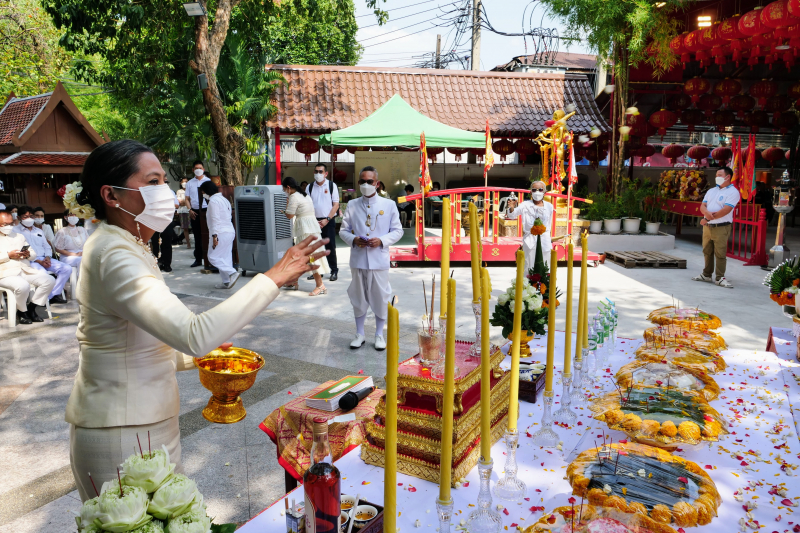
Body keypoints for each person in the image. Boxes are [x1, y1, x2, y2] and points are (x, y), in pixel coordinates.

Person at [63, 139, 328, 502]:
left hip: (145, 418)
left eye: (163, 181)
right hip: (121, 427)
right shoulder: (113, 253)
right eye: (152, 182)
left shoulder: (127, 243)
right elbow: (194, 333)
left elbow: (135, 344)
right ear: (111, 195)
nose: (166, 192)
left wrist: (207, 359)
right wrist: (274, 276)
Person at [339, 166, 403, 350]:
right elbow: (343, 230)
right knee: (358, 296)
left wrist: (382, 241)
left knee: (380, 296)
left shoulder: (388, 205)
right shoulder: (352, 205)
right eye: (362, 181)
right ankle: (360, 334)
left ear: (377, 183)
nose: (366, 185)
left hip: (379, 259)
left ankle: (379, 334)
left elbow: (398, 230)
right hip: (358, 258)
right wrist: (354, 239)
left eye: (370, 181)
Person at [0, 210, 56, 324]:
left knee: (49, 280)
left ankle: (31, 309)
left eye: (11, 224)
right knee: (23, 285)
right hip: (5, 273)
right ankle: (22, 310)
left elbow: (33, 253)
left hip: (25, 269)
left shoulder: (19, 236)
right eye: (5, 224)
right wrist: (8, 255)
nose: (9, 227)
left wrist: (28, 254)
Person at [692, 166, 740, 288]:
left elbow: (726, 210)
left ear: (727, 177)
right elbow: (703, 205)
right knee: (707, 250)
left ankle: (720, 277)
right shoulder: (712, 191)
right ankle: (706, 274)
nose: (717, 177)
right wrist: (707, 214)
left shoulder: (733, 192)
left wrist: (706, 218)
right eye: (716, 175)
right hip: (708, 226)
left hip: (721, 227)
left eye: (719, 175)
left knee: (720, 253)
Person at [14, 205, 71, 305]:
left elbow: (47, 247)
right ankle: (39, 300)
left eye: (31, 216)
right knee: (45, 276)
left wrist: (48, 257)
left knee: (67, 269)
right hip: (29, 261)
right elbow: (20, 251)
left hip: (45, 258)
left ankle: (51, 296)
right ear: (19, 218)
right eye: (25, 217)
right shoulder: (15, 231)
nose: (29, 219)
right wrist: (39, 261)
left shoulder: (39, 231)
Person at [284, 176, 329, 296]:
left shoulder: (293, 197)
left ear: (288, 187)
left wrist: (286, 206)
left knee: (310, 257)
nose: (285, 192)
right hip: (311, 227)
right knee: (299, 256)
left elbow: (289, 215)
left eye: (284, 190)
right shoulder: (304, 194)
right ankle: (293, 280)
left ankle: (320, 285)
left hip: (305, 229)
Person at [506, 180, 554, 273]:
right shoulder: (525, 205)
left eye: (540, 190)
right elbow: (512, 215)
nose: (537, 192)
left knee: (545, 266)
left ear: (545, 192)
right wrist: (512, 207)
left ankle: (545, 286)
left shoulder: (549, 206)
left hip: (544, 240)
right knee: (529, 267)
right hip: (530, 240)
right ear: (530, 192)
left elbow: (548, 223)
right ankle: (528, 287)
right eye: (534, 190)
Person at [200, 181, 240, 289]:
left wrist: (214, 236)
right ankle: (226, 281)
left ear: (207, 191)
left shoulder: (213, 201)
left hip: (220, 232)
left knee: (213, 257)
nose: (203, 194)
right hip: (229, 231)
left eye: (203, 192)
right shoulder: (224, 199)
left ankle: (232, 273)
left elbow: (215, 219)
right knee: (225, 257)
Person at [305, 163, 339, 281]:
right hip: (313, 222)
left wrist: (327, 219)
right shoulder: (309, 187)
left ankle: (333, 270)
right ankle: (316, 271)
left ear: (326, 173)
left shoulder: (331, 185)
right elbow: (307, 205)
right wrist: (313, 220)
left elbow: (335, 205)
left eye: (320, 171)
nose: (318, 174)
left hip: (328, 221)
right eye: (316, 171)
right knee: (314, 248)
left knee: (330, 247)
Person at [184, 160, 210, 267]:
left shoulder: (208, 181)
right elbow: (186, 199)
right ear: (193, 170)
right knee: (197, 235)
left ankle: (210, 259)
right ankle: (198, 259)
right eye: (196, 168)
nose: (198, 170)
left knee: (208, 234)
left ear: (203, 169)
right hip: (194, 211)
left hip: (206, 210)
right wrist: (190, 210)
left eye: (200, 168)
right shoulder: (190, 183)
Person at [149, 187, 181, 273]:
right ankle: (157, 263)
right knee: (155, 243)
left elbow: (177, 205)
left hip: (166, 220)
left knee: (167, 243)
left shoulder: (170, 192)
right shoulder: (150, 192)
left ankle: (167, 264)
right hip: (154, 220)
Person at [177, 177, 192, 248]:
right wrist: (188, 201)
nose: (185, 183)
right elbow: (180, 202)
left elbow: (193, 201)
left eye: (186, 181)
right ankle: (188, 243)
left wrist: (185, 201)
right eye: (183, 182)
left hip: (191, 210)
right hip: (183, 211)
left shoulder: (191, 190)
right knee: (185, 228)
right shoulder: (179, 191)